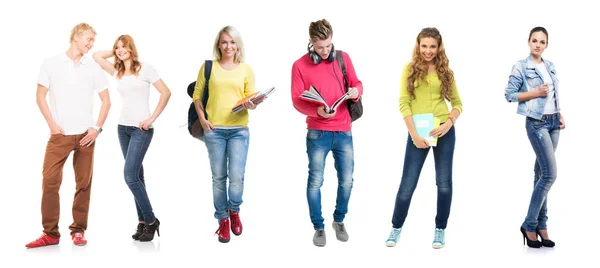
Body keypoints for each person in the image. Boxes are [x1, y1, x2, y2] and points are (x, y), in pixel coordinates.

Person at [26, 22, 111, 248]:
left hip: (86, 135)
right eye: (89, 39)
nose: (91, 44)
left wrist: (97, 128)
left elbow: (106, 101)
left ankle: (78, 230)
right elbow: (40, 96)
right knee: (50, 182)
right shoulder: (51, 63)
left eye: (94, 41)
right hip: (60, 135)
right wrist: (52, 124)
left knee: (83, 184)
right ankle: (51, 233)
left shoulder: (93, 67)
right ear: (76, 36)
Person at [385, 27, 462, 249]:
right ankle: (396, 227)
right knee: (407, 184)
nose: (428, 51)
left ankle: (440, 229)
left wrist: (448, 123)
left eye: (432, 46)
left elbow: (457, 103)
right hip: (417, 132)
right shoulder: (409, 69)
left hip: (444, 131)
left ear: (439, 48)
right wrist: (414, 135)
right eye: (424, 45)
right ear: (418, 45)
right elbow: (403, 102)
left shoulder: (446, 71)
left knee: (444, 183)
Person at [291, 19, 363, 247]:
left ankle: (339, 220)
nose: (324, 51)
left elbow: (358, 83)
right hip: (317, 133)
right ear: (310, 43)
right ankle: (319, 227)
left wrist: (355, 91)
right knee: (315, 181)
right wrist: (318, 110)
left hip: (343, 131)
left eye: (328, 46)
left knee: (347, 181)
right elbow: (296, 100)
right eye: (319, 47)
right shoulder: (299, 65)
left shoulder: (343, 58)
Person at [93, 34, 171, 242]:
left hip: (141, 129)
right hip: (122, 128)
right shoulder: (118, 71)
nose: (120, 50)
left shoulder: (146, 68)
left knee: (129, 176)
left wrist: (152, 117)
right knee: (137, 176)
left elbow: (166, 92)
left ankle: (152, 220)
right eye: (117, 47)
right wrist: (115, 51)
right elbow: (97, 56)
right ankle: (143, 222)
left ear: (132, 48)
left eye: (124, 46)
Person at [193, 26, 258, 243]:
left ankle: (234, 211)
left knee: (237, 178)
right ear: (218, 45)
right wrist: (203, 119)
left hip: (239, 130)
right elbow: (197, 95)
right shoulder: (208, 67)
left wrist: (251, 103)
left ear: (238, 45)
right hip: (214, 130)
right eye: (224, 42)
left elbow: (250, 99)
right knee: (219, 178)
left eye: (232, 42)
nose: (228, 46)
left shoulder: (246, 69)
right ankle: (222, 219)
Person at [504, 26, 564, 248]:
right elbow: (509, 94)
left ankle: (541, 224)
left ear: (547, 44)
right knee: (550, 175)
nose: (538, 44)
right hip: (536, 124)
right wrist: (535, 93)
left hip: (554, 122)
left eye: (542, 41)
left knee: (541, 174)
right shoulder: (521, 66)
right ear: (528, 42)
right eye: (535, 41)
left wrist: (560, 114)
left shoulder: (550, 66)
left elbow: (554, 95)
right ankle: (529, 225)